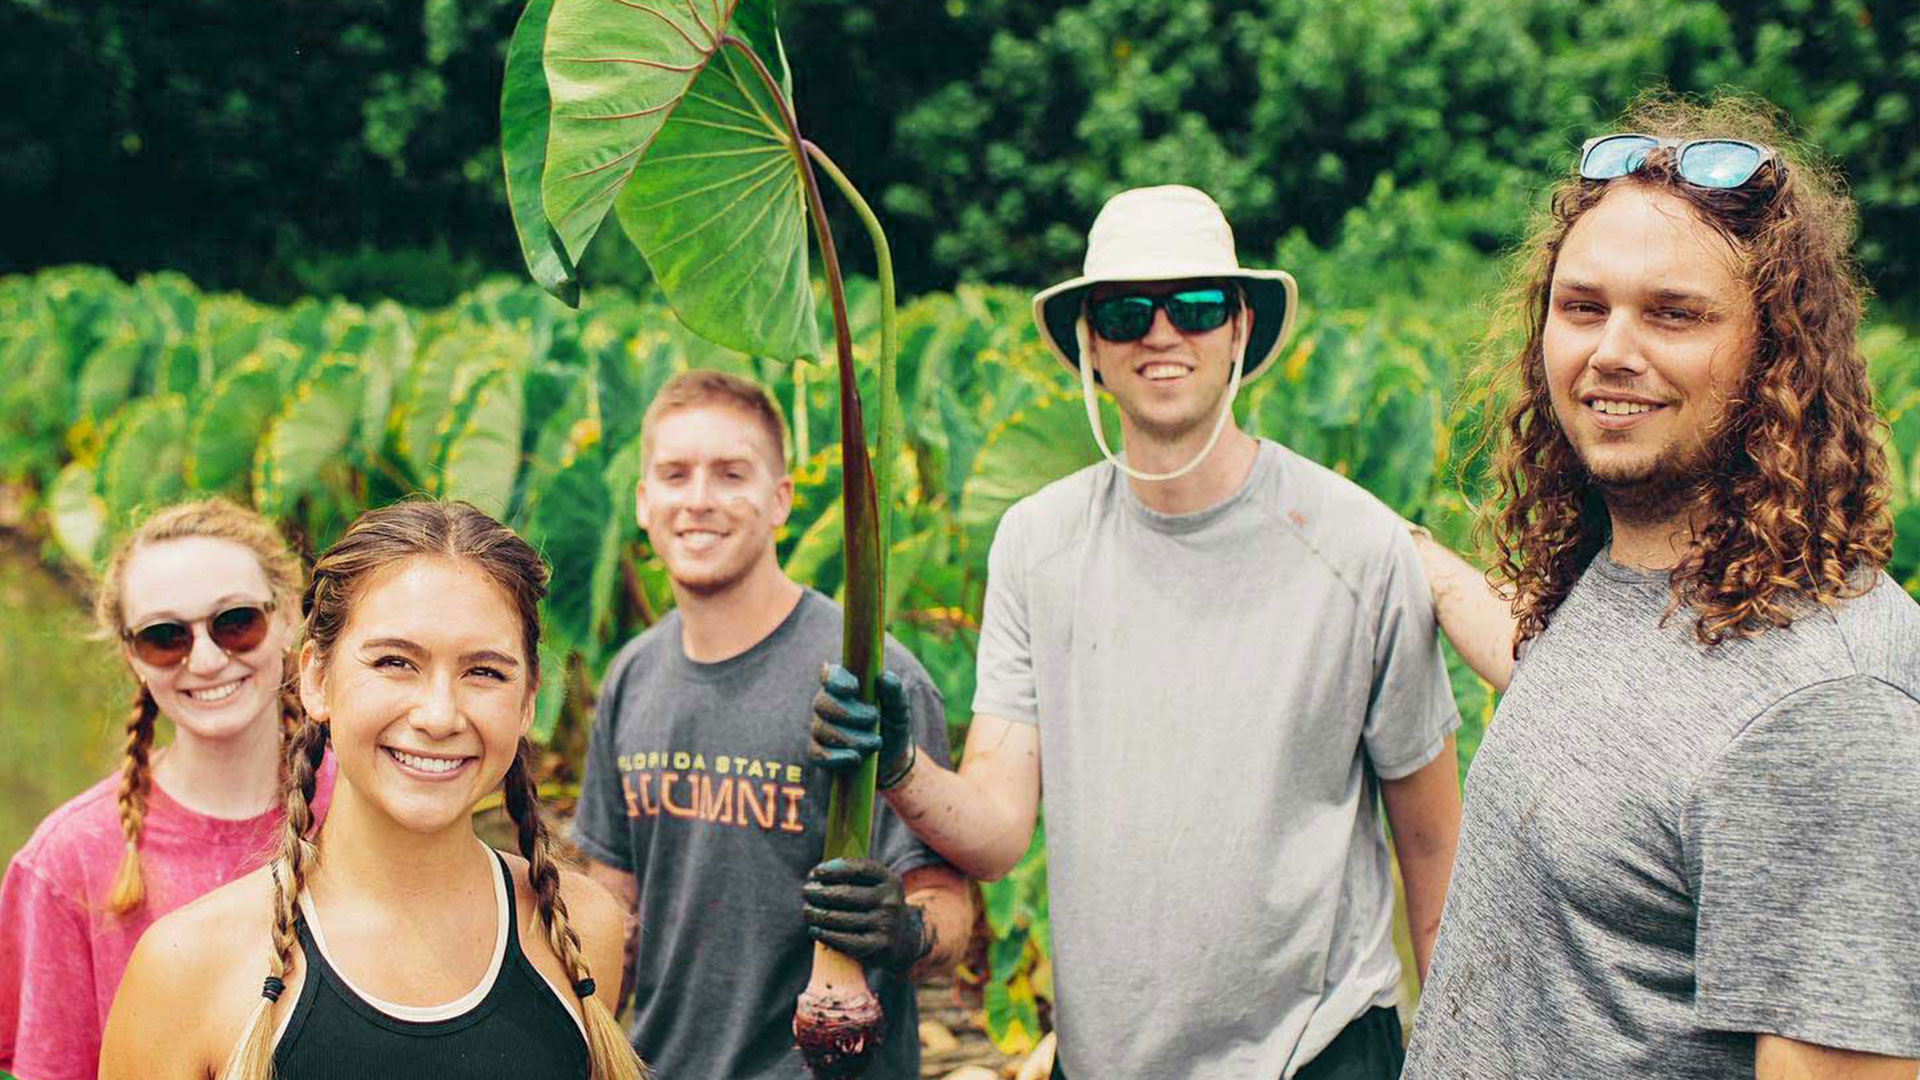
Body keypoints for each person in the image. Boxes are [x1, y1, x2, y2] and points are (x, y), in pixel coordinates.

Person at [811, 185, 1465, 1079]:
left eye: (1195, 306)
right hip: (1109, 1057)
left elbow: (1431, 841)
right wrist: (898, 766)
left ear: (1239, 330)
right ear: (1089, 345)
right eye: (1126, 313)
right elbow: (1000, 828)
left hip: (1316, 1049)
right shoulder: (1038, 544)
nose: (1163, 335)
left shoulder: (1358, 543)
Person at [1399, 95, 1920, 1078]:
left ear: (1779, 355)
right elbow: (1606, 716)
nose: (1612, 352)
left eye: (1674, 314)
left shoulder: (1825, 713)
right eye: (1584, 307)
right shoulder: (1649, 572)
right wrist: (1414, 557)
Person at [99, 500, 643, 1080]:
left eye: (483, 672)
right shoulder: (189, 968)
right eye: (394, 662)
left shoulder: (580, 932)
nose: (439, 715)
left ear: (528, 700)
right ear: (316, 679)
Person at [571, 370, 971, 1079]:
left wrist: (903, 932)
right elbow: (613, 912)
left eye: (731, 475)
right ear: (641, 501)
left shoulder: (869, 677)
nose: (698, 501)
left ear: (781, 499)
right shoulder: (633, 675)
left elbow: (949, 913)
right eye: (674, 475)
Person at [0, 498, 336, 1080]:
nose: (206, 660)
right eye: (165, 636)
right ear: (133, 656)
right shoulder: (67, 861)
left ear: (285, 618)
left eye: (235, 623)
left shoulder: (367, 807)